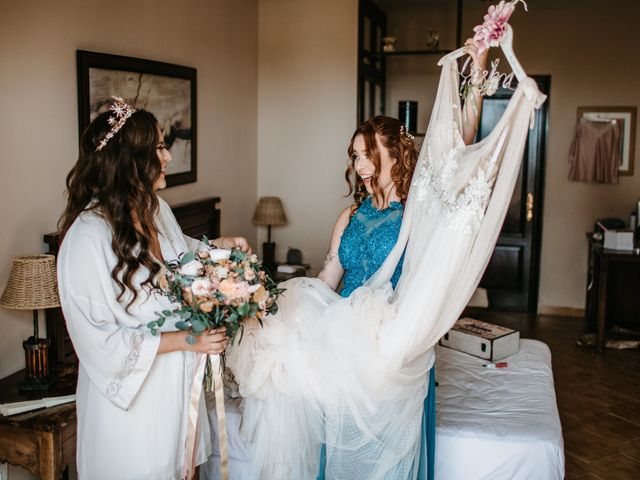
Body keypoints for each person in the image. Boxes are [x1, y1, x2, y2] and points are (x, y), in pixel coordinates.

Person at [314, 38, 487, 480]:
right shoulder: (349, 215)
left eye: (368, 155)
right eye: (355, 155)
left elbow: (461, 145)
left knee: (385, 456)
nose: (360, 165)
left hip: (394, 344)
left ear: (396, 154)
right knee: (341, 449)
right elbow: (329, 277)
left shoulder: (419, 212)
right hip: (344, 346)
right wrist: (295, 310)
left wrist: (478, 72)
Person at [57, 97, 249, 479]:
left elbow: (179, 257)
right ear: (130, 160)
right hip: (133, 415)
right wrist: (187, 341)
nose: (169, 158)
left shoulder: (156, 208)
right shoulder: (86, 239)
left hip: (178, 392)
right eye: (160, 148)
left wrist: (218, 248)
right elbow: (100, 343)